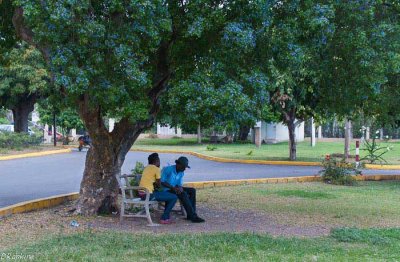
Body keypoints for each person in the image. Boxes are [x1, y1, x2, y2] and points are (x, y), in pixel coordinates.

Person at [161, 156, 205, 223]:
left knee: (192, 190)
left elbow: (180, 184)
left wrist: (180, 188)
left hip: (174, 188)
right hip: (166, 189)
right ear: (178, 164)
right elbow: (162, 181)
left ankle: (190, 214)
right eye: (183, 166)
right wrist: (173, 188)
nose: (184, 169)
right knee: (183, 194)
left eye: (185, 167)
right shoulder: (168, 169)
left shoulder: (181, 172)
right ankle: (193, 216)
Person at [139, 153, 178, 224]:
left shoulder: (146, 168)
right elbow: (159, 184)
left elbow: (151, 182)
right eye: (159, 161)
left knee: (167, 195)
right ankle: (164, 218)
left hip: (141, 194)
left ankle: (167, 215)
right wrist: (162, 190)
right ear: (156, 161)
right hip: (148, 195)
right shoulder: (156, 169)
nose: (159, 163)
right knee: (174, 197)